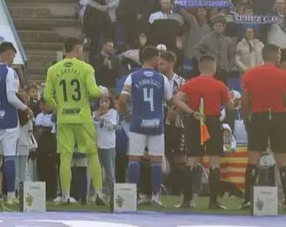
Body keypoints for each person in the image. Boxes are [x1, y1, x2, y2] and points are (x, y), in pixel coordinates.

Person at [43, 37, 110, 205]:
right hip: (82, 117)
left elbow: (46, 96)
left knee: (65, 156)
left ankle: (65, 195)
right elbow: (94, 92)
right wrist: (103, 91)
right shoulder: (86, 68)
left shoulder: (53, 69)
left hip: (64, 117)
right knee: (92, 154)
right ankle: (99, 194)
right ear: (79, 49)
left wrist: (58, 107)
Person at [172, 54, 233, 209]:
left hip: (195, 120)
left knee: (192, 160)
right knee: (214, 162)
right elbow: (230, 106)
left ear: (199, 68)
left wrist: (190, 111)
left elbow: (176, 99)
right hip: (212, 121)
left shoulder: (190, 84)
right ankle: (213, 202)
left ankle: (187, 200)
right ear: (213, 67)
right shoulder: (219, 85)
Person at [117, 46, 172, 206]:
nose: (159, 60)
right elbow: (169, 99)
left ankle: (132, 196)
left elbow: (121, 101)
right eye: (158, 57)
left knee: (134, 159)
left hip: (137, 123)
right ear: (153, 58)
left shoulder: (132, 77)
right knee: (156, 161)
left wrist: (128, 116)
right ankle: (155, 196)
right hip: (156, 124)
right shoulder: (162, 78)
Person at [0, 41, 32, 204]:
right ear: (8, 53)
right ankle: (11, 195)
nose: (13, 58)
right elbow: (11, 97)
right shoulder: (9, 72)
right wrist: (25, 108)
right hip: (9, 121)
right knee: (10, 157)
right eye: (13, 55)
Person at [239, 44, 286, 207]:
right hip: (279, 115)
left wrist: (246, 118)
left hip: (258, 115)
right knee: (282, 158)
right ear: (275, 56)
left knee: (254, 156)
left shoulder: (250, 74)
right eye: (279, 54)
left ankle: (247, 199)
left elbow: (245, 100)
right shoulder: (283, 75)